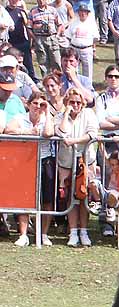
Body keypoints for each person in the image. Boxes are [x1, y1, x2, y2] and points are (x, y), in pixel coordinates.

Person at [4, 91, 56, 247]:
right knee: (25, 198)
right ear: (28, 104)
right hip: (25, 162)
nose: (38, 107)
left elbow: (48, 133)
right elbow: (8, 130)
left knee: (47, 200)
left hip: (45, 160)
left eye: (41, 104)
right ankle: (23, 234)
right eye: (35, 104)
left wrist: (47, 113)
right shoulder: (21, 118)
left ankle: (44, 234)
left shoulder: (47, 118)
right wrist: (28, 132)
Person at [56, 86, 98, 247]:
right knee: (70, 197)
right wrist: (66, 114)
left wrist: (74, 141)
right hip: (66, 162)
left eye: (79, 102)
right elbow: (61, 133)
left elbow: (93, 133)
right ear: (67, 102)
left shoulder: (89, 114)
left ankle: (84, 231)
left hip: (86, 161)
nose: (76, 105)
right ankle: (73, 232)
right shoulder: (61, 116)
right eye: (72, 102)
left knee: (84, 196)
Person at [30, 0, 63, 77]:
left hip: (52, 38)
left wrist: (57, 36)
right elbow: (29, 27)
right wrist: (35, 39)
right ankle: (46, 83)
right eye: (39, 0)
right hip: (39, 39)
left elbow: (60, 24)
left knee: (56, 61)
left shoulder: (52, 10)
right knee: (43, 63)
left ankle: (59, 82)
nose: (41, 1)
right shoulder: (33, 11)